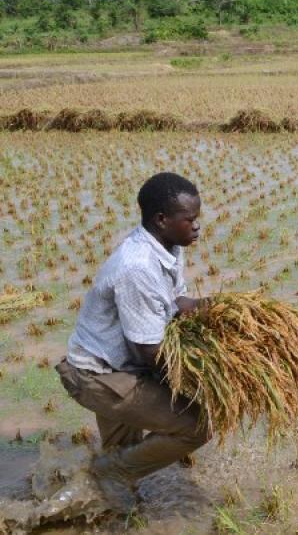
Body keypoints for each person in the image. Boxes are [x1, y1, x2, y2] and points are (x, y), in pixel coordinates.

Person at [55, 172, 210, 514]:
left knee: (123, 474)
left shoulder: (168, 245)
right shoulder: (137, 267)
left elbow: (175, 303)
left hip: (116, 363)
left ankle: (91, 508)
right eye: (190, 220)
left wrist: (213, 307)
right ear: (162, 219)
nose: (197, 227)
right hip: (100, 375)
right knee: (197, 425)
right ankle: (104, 475)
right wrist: (202, 383)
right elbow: (149, 351)